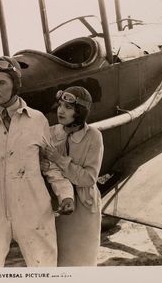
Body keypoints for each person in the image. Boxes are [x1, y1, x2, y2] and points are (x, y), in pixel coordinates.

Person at [0, 56, 75, 267]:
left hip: (33, 206)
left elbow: (50, 164)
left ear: (15, 85)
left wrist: (65, 194)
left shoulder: (37, 119)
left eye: (1, 82)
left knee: (44, 269)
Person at [42, 86, 104, 266]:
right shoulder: (52, 132)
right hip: (59, 207)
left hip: (85, 208)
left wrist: (60, 160)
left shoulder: (94, 136)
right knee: (59, 263)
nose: (61, 110)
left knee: (83, 262)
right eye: (60, 105)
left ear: (80, 112)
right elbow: (43, 166)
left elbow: (88, 179)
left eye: (68, 107)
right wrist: (42, 164)